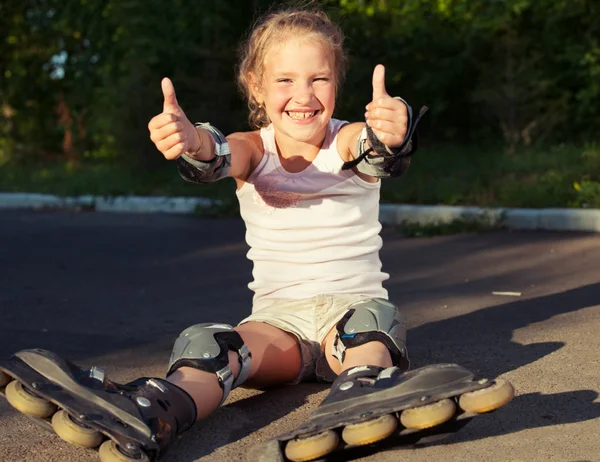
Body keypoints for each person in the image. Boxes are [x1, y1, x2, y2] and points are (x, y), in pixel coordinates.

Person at [0, 6, 512, 462]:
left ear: (338, 84)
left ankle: (364, 390)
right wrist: (190, 141)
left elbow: (374, 148)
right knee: (209, 345)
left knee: (372, 324)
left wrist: (390, 133)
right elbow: (217, 153)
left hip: (347, 322)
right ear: (256, 86)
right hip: (278, 329)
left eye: (320, 79)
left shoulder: (347, 139)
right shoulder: (255, 148)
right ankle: (152, 410)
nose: (304, 96)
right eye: (285, 80)